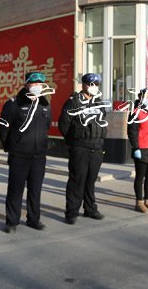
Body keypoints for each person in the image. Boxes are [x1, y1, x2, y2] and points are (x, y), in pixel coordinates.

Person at [0, 72, 52, 233]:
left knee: (35, 190)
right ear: (26, 84)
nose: (37, 86)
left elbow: (47, 126)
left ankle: (34, 219)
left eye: (40, 84)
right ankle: (12, 221)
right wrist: (10, 147)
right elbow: (3, 128)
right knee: (15, 189)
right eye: (33, 83)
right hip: (19, 155)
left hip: (38, 156)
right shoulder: (13, 104)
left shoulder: (45, 104)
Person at [59, 73, 108, 224]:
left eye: (96, 84)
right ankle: (72, 212)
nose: (94, 87)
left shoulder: (98, 102)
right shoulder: (73, 102)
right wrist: (73, 142)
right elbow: (64, 125)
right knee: (77, 180)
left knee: (90, 181)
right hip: (80, 148)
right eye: (91, 84)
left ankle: (90, 209)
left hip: (96, 148)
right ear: (84, 85)